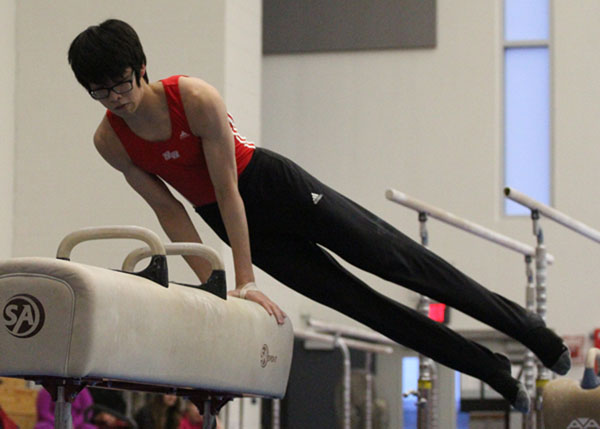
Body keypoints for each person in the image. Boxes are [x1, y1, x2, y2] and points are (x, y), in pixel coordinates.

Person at [67, 19, 570, 413]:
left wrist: (245, 276)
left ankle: (533, 333)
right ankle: (494, 373)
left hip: (271, 187)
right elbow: (169, 209)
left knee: (399, 262)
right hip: (230, 221)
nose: (117, 99)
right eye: (100, 92)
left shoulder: (193, 98)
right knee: (364, 307)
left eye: (121, 83)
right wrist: (217, 283)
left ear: (141, 67)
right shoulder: (110, 141)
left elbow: (228, 188)